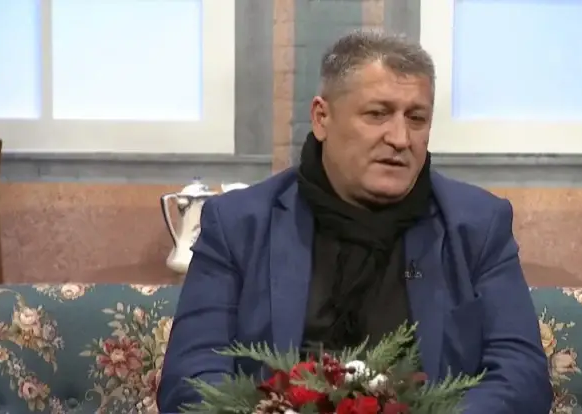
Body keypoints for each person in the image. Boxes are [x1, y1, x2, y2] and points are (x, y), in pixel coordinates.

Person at [157, 29, 552, 413]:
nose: (400, 138)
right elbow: (189, 378)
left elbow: (521, 377)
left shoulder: (477, 226)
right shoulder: (238, 225)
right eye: (378, 114)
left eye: (416, 118)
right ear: (321, 118)